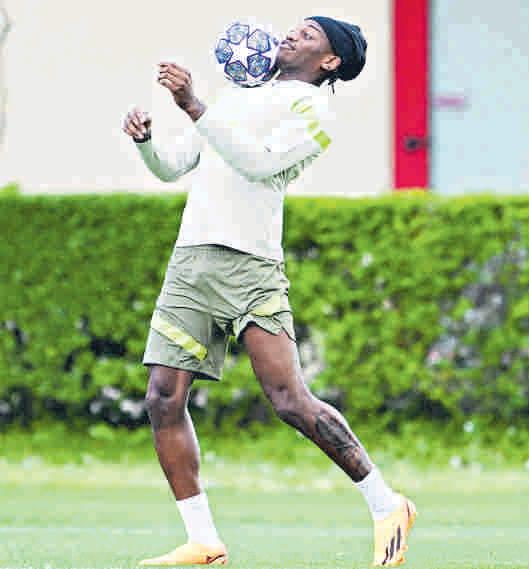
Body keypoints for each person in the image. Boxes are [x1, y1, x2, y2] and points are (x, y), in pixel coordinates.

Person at [122, 16, 416, 567]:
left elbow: (257, 164)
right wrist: (145, 142)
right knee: (162, 397)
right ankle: (203, 541)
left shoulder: (314, 112)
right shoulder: (238, 94)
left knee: (289, 400)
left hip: (250, 267)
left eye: (309, 35)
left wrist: (195, 106)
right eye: (295, 28)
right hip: (192, 262)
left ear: (330, 61)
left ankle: (387, 504)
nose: (291, 35)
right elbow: (172, 167)